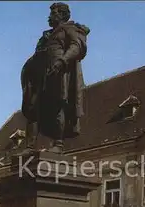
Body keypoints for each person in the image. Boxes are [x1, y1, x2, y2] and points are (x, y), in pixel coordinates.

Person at [21, 2, 90, 153]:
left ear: (62, 15)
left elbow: (77, 46)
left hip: (59, 74)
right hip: (42, 76)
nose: (49, 17)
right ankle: (30, 146)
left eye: (53, 13)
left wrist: (63, 60)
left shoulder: (70, 29)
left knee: (58, 106)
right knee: (33, 108)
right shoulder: (46, 36)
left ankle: (58, 143)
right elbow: (37, 55)